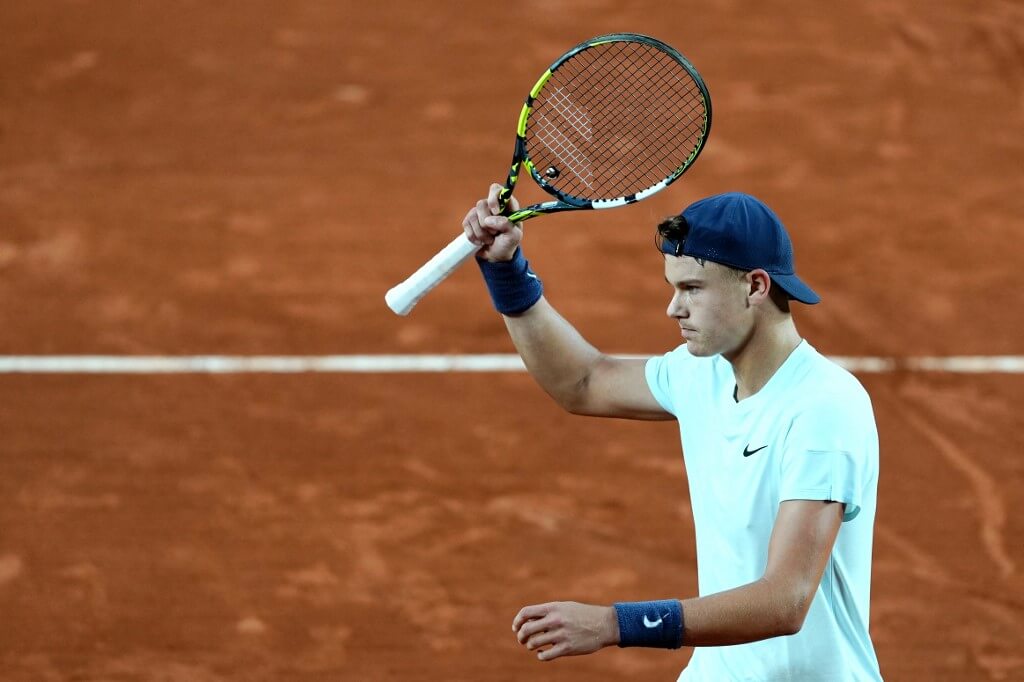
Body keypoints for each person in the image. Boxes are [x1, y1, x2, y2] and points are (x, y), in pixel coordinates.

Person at [462, 185, 883, 681]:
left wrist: (613, 623)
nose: (673, 309)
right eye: (674, 287)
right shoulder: (703, 373)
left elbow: (785, 600)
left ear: (755, 286)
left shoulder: (823, 407)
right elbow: (583, 382)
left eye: (693, 290)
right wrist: (507, 270)